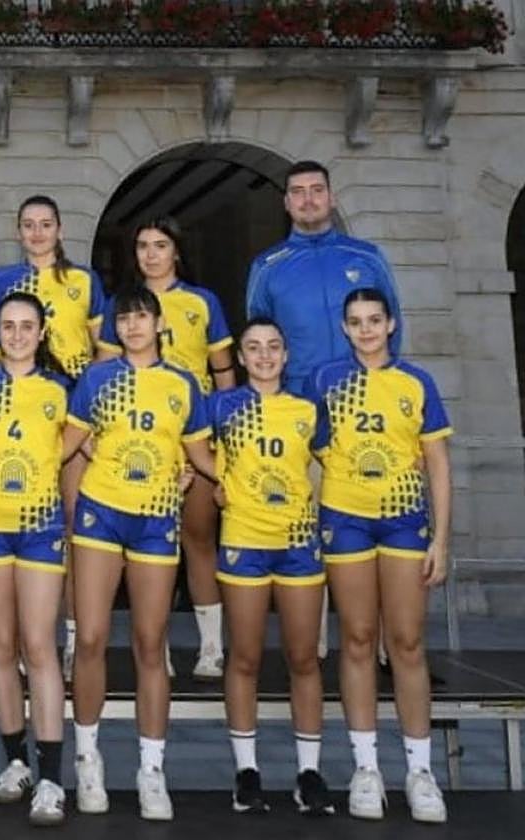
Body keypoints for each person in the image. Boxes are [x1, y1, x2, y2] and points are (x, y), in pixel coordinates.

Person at [65, 288, 215, 821]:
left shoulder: (183, 384)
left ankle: (152, 769)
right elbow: (67, 442)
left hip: (155, 520)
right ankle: (87, 760)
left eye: (140, 317)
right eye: (123, 319)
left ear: (158, 324)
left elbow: (200, 454)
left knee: (152, 644)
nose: (132, 326)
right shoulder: (96, 379)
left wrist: (229, 479)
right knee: (90, 637)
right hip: (101, 512)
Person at [306, 287, 452, 824]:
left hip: (403, 521)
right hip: (344, 520)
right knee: (358, 639)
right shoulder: (325, 380)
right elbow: (314, 459)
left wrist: (441, 539)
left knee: (408, 643)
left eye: (374, 320)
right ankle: (365, 769)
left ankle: (420, 771)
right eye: (356, 321)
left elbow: (437, 464)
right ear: (345, 329)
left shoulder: (417, 382)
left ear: (391, 324)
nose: (365, 329)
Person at [100, 218, 235, 680]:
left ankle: (212, 647)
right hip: (136, 442)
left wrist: (222, 428)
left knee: (197, 539)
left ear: (176, 251)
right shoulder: (121, 303)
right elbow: (102, 372)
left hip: (190, 436)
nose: (151, 254)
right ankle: (155, 648)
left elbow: (223, 372)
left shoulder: (202, 302)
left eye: (161, 245)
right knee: (139, 547)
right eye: (142, 246)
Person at [208, 318, 332, 816]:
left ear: (285, 355)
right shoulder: (222, 405)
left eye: (273, 347)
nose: (263, 356)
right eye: (254, 348)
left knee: (304, 658)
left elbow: (328, 467)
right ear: (240, 356)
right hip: (243, 539)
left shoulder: (307, 409)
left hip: (298, 542)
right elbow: (196, 452)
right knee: (245, 657)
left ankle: (309, 771)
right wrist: (218, 484)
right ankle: (247, 771)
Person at [0, 195, 108, 679]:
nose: (37, 233)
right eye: (28, 225)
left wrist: (86, 410)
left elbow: (102, 350)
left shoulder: (83, 281)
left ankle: (73, 636)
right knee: (10, 520)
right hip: (18, 416)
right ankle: (6, 640)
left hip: (70, 410)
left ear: (60, 229)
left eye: (45, 224)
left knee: (72, 522)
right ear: (18, 231)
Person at [0, 291, 72, 825]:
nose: (18, 334)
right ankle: (16, 764)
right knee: (0, 646)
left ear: (42, 331)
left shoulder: (61, 390)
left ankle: (51, 776)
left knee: (39, 646)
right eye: (9, 325)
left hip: (39, 529)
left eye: (28, 325)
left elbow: (86, 446)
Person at [245, 160, 403, 397]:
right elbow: (258, 339)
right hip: (299, 397)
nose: (308, 200)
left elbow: (394, 322)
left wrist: (386, 379)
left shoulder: (368, 256)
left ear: (332, 198)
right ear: (287, 203)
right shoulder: (266, 266)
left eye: (317, 190)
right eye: (298, 192)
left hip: (366, 392)